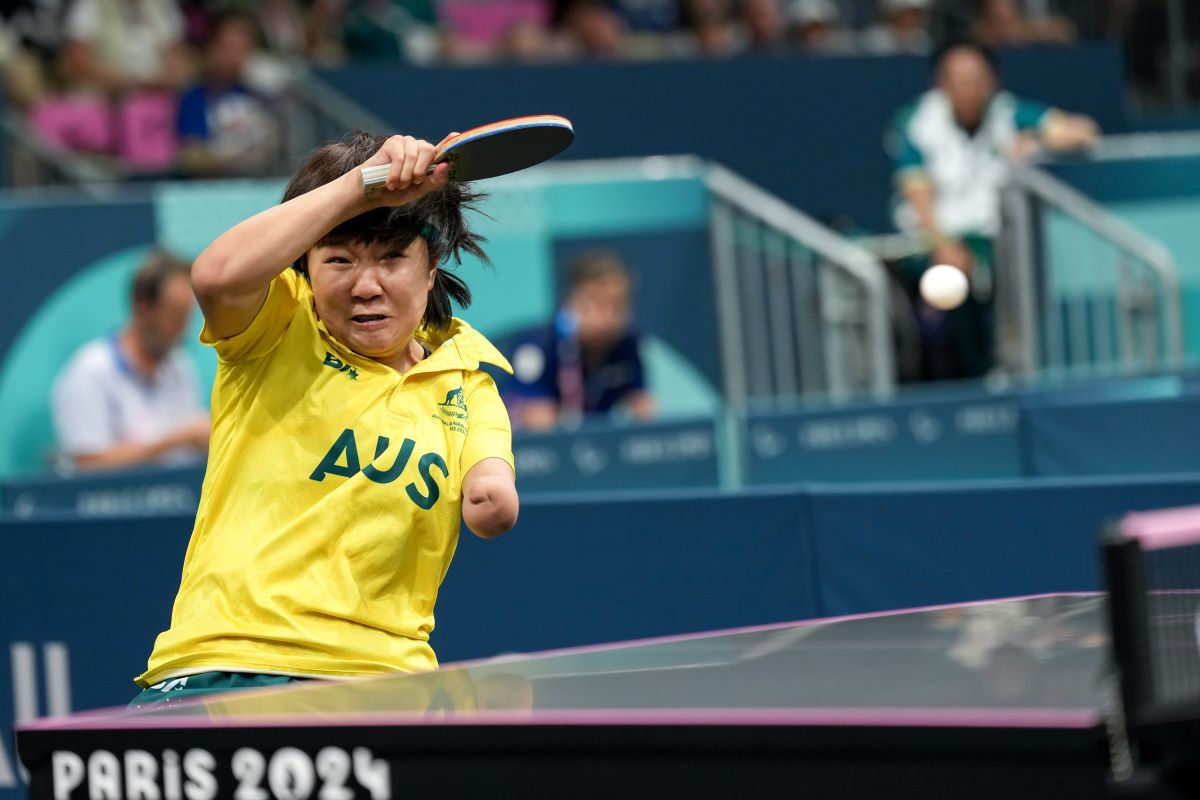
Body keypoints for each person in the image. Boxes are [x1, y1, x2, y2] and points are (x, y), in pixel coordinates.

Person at [133, 131, 519, 704]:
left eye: (392, 258)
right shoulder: (277, 325)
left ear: (432, 266)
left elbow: (491, 493)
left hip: (388, 682)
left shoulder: (465, 379)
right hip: (234, 663)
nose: (366, 286)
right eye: (339, 259)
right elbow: (215, 276)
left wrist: (492, 497)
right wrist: (361, 187)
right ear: (307, 268)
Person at [887, 40, 1098, 378]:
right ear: (940, 84)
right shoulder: (917, 120)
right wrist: (941, 243)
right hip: (931, 241)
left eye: (975, 78)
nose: (967, 88)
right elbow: (917, 190)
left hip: (994, 239)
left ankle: (1006, 367)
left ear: (991, 81)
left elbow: (1084, 131)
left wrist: (1038, 141)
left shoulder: (1008, 113)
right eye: (958, 79)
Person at [51, 250, 209, 471]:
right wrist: (179, 438)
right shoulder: (88, 372)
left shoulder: (180, 366)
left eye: (187, 317)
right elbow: (87, 465)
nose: (183, 329)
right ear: (142, 305)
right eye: (174, 316)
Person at [505, 250, 655, 430]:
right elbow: (540, 427)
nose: (605, 318)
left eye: (617, 305)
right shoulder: (536, 346)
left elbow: (645, 415)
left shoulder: (628, 343)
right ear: (569, 301)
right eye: (594, 303)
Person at [176, 11, 280, 177]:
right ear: (211, 49)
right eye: (230, 48)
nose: (236, 58)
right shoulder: (193, 99)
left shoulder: (260, 98)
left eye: (243, 49)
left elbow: (272, 150)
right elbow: (191, 156)